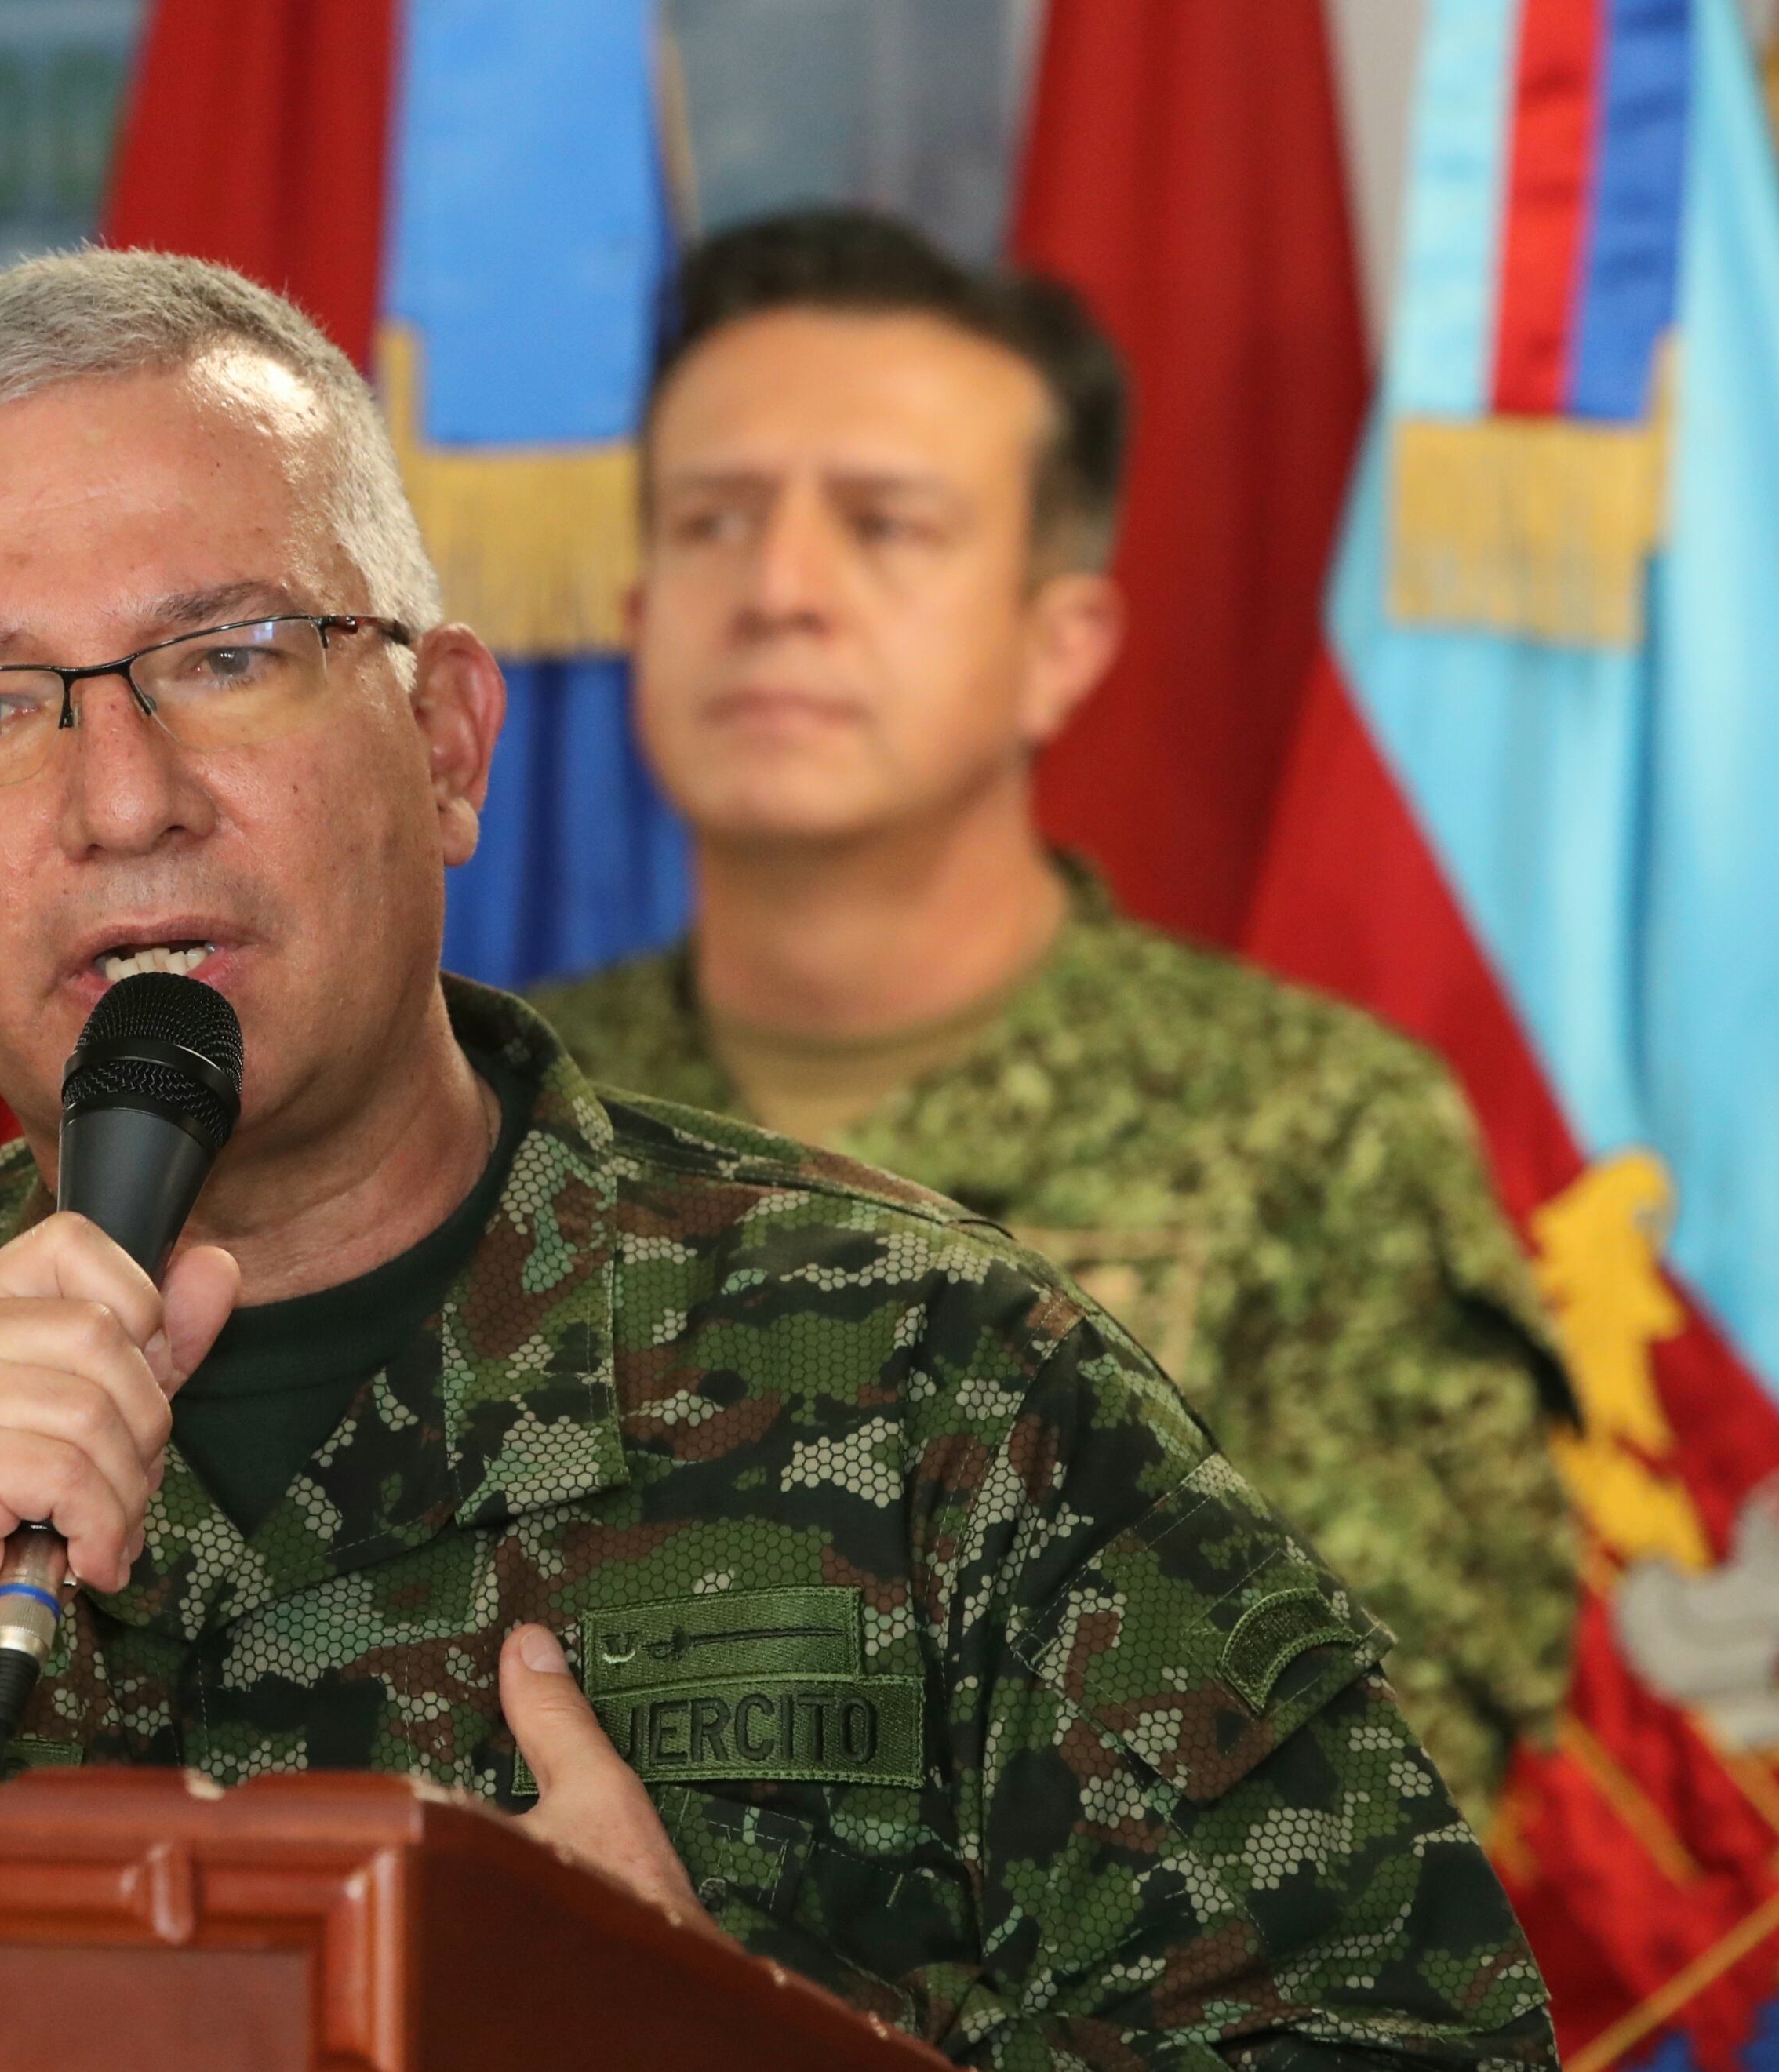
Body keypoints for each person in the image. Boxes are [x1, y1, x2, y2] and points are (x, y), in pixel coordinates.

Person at [0, 252, 1555, 2069]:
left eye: (227, 652)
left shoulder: (945, 1391)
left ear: (446, 740)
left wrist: (714, 2052)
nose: (120, 796)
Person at [531, 209, 1579, 1832]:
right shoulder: (479, 1117)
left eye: (885, 526)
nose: (781, 590)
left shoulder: (1312, 1130)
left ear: (1058, 643)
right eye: (714, 521)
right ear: (638, 604)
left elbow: (1376, 1801)